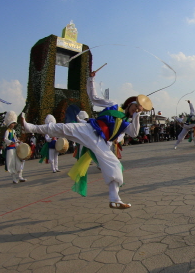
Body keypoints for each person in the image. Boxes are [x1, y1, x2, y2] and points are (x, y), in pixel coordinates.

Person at [21, 68, 143, 208]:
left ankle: (115, 199)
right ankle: (31, 128)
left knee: (114, 167)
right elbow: (94, 98)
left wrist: (137, 116)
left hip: (101, 143)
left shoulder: (127, 124)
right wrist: (91, 80)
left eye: (138, 109)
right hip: (89, 129)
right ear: (129, 104)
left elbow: (134, 133)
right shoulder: (112, 105)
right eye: (135, 107)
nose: (136, 109)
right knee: (63, 128)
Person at [3, 111, 26, 183]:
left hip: (15, 148)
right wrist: (10, 142)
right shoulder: (7, 131)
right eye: (12, 123)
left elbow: (15, 138)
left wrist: (19, 142)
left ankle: (20, 176)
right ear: (9, 123)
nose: (13, 124)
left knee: (19, 161)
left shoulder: (13, 131)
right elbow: (5, 139)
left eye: (14, 123)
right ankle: (13, 178)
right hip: (10, 149)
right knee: (11, 163)